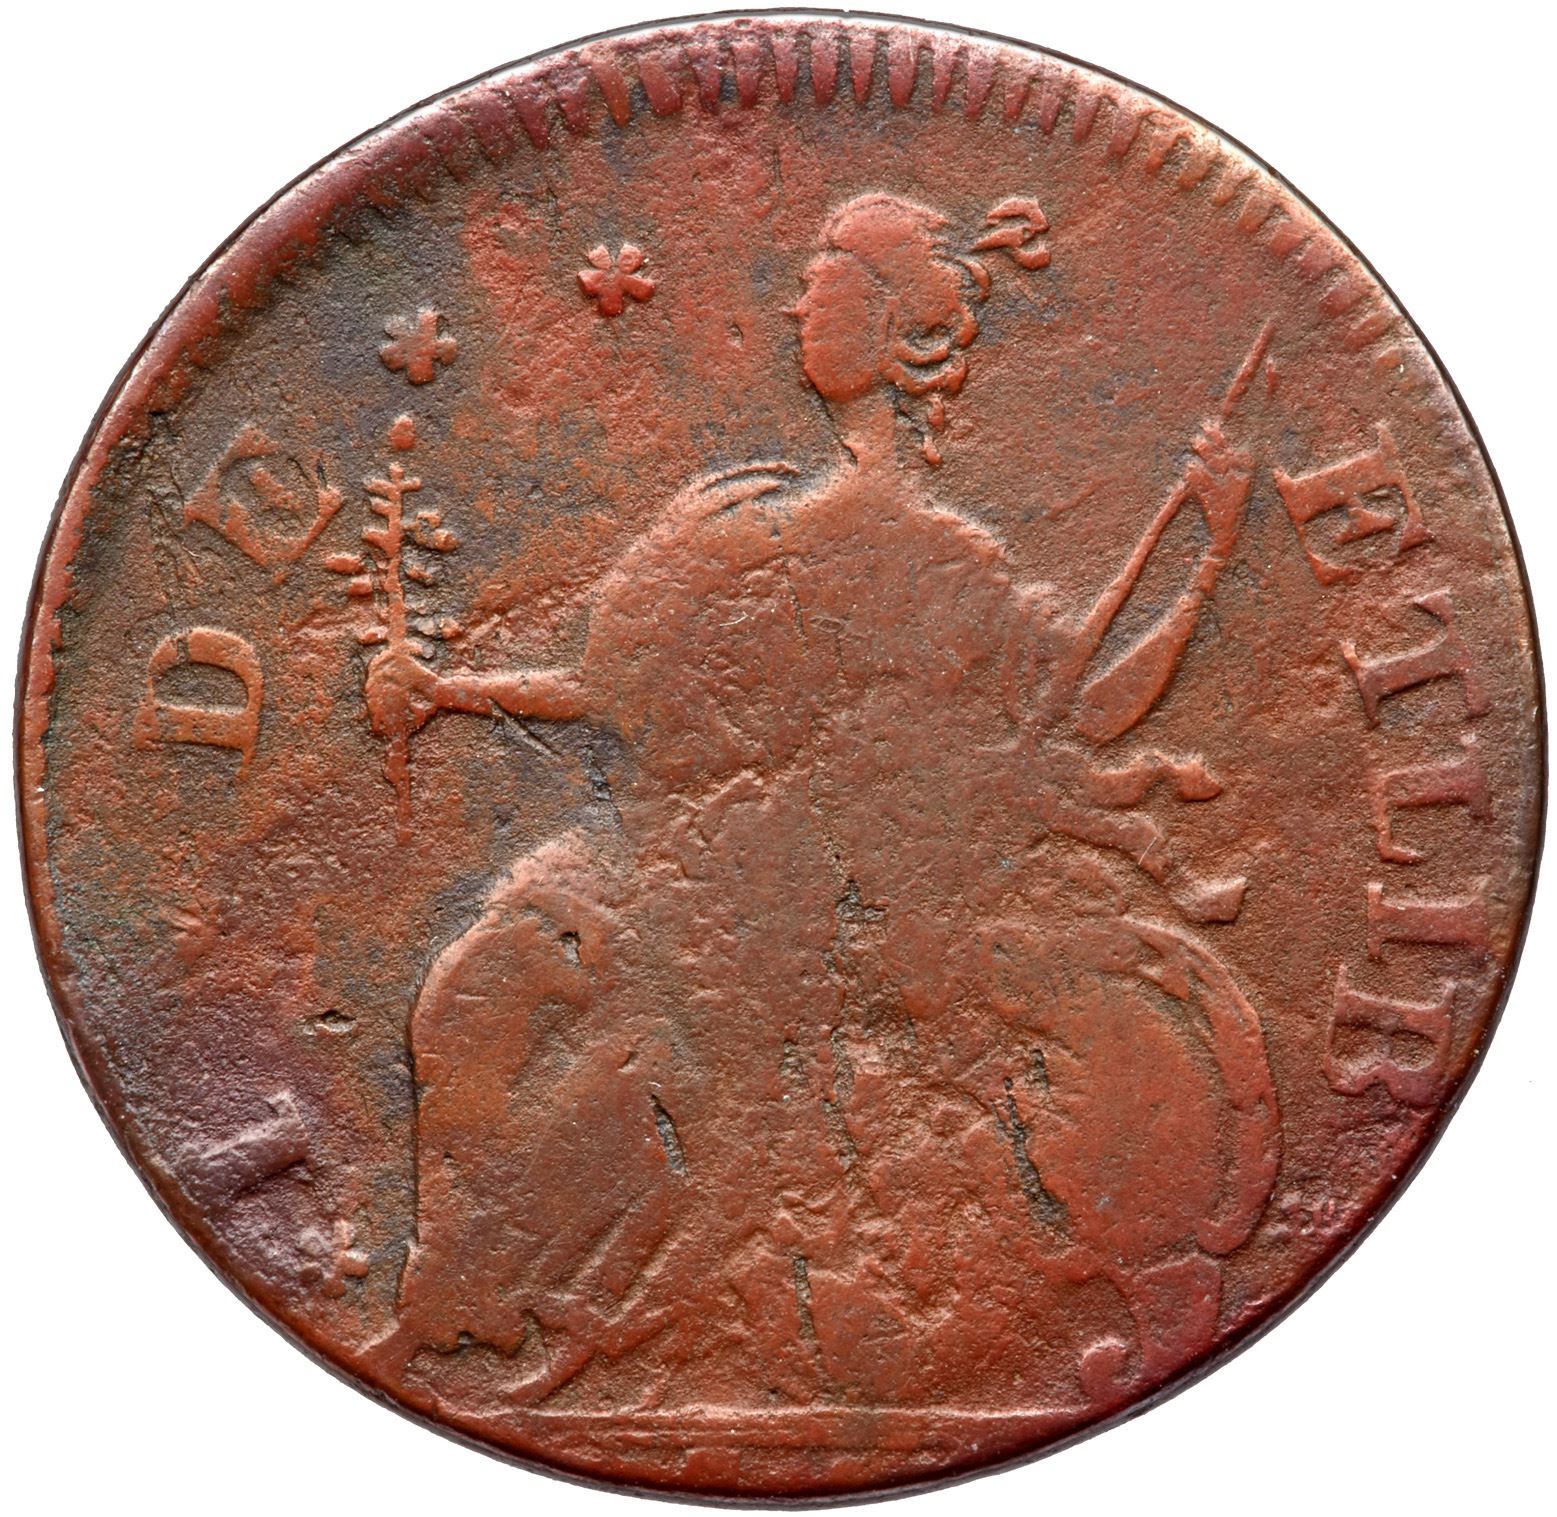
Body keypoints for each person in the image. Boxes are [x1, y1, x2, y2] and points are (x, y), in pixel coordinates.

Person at [359, 193, 1278, 1412]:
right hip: (655, 855)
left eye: (829, 278)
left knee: (605, 1079)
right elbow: (616, 692)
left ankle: (487, 1319)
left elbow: (1080, 703)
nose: (798, 298)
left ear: (895, 330)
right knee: (462, 1001)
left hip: (797, 909)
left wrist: (1207, 549)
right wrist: (449, 691)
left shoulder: (949, 560)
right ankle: (461, 1305)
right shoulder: (735, 514)